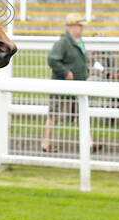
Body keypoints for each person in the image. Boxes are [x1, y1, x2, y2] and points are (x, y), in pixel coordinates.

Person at [41, 13, 100, 153]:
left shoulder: (79, 41)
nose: (81, 28)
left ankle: (89, 143)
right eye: (79, 25)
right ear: (70, 26)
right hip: (62, 86)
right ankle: (46, 142)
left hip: (77, 85)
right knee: (54, 115)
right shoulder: (63, 42)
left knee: (81, 114)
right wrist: (66, 72)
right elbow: (52, 60)